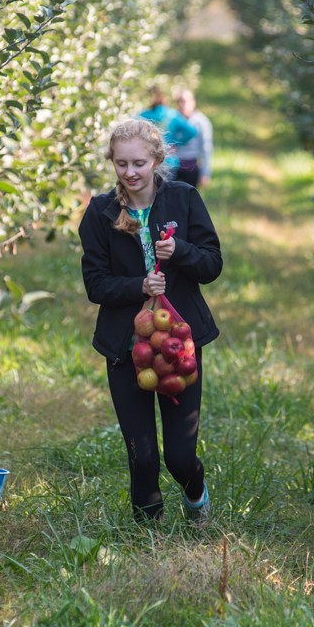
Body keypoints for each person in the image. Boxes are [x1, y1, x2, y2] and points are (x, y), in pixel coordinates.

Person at [78, 118, 223, 524]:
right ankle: (148, 538)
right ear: (112, 163)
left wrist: (180, 251)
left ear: (157, 159)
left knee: (179, 456)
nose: (130, 172)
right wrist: (138, 285)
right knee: (142, 458)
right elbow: (95, 284)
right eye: (121, 164)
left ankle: (196, 493)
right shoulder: (100, 213)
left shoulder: (184, 199)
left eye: (139, 163)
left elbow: (212, 264)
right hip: (127, 346)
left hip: (177, 343)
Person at [136, 85, 198, 178]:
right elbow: (192, 131)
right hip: (169, 161)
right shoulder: (172, 114)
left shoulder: (142, 115)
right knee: (168, 190)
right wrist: (176, 142)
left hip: (147, 161)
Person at [175, 88, 213, 188]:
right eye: (181, 101)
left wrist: (205, 173)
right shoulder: (173, 118)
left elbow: (206, 148)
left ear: (193, 102)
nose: (184, 104)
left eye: (187, 101)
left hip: (191, 167)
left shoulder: (201, 122)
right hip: (173, 166)